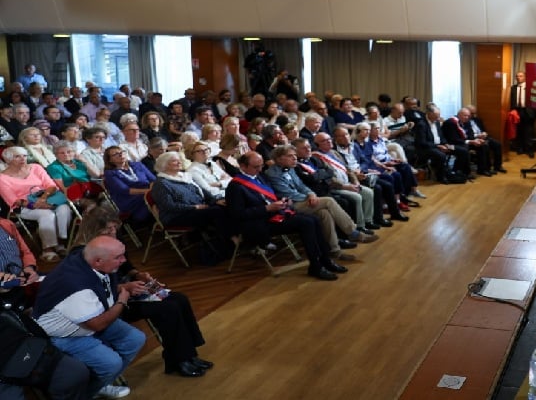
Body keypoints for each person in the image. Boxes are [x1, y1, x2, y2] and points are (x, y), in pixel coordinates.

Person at [79, 210, 214, 378]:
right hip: (111, 301)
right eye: (108, 229)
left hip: (127, 288)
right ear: (94, 231)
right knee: (168, 308)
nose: (112, 232)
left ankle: (188, 354)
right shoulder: (84, 254)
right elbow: (92, 288)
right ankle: (179, 360)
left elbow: (126, 266)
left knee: (179, 299)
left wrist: (138, 274)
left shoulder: (114, 240)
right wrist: (124, 287)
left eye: (114, 227)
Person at [32, 235, 145, 399]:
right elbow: (97, 324)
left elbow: (100, 289)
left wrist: (124, 287)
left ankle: (100, 384)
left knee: (135, 339)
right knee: (111, 364)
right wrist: (122, 301)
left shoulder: (87, 260)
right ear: (98, 261)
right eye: (118, 257)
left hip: (88, 319)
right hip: (63, 336)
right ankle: (87, 393)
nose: (123, 260)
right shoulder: (76, 286)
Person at [225, 152, 341, 280]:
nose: (259, 169)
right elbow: (238, 214)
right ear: (243, 166)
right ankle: (316, 266)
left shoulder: (259, 176)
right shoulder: (235, 187)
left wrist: (284, 200)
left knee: (314, 219)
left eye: (261, 166)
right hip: (259, 223)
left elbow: (271, 195)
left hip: (275, 214)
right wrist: (266, 208)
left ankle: (325, 260)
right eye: (255, 167)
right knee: (306, 223)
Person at [0, 146, 72, 262]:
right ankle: (48, 250)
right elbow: (13, 200)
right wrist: (34, 205)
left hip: (48, 198)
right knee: (47, 214)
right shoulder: (2, 178)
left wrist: (43, 199)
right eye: (17, 156)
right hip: (24, 206)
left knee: (64, 209)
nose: (22, 159)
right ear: (8, 160)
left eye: (24, 156)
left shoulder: (36, 168)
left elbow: (51, 185)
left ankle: (60, 242)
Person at [151, 152, 228, 233]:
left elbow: (202, 190)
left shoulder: (185, 176)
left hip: (197, 207)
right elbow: (169, 206)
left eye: (179, 160)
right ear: (164, 165)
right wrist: (194, 207)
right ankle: (232, 239)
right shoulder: (161, 183)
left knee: (224, 203)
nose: (179, 162)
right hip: (177, 216)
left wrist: (215, 200)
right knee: (216, 211)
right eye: (174, 161)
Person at [102, 146, 155, 223]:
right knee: (157, 196)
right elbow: (126, 190)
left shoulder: (137, 165)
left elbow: (153, 180)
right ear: (109, 160)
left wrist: (153, 189)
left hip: (148, 194)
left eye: (122, 152)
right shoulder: (110, 174)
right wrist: (149, 191)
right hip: (130, 200)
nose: (120, 155)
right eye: (116, 154)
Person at [509, 71, 536, 157]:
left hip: (528, 111)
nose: (518, 78)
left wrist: (534, 113)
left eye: (520, 76)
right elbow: (511, 101)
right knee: (519, 130)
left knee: (529, 131)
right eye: (517, 76)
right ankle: (520, 149)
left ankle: (530, 150)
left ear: (525, 77)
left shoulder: (530, 88)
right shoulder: (513, 88)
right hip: (517, 111)